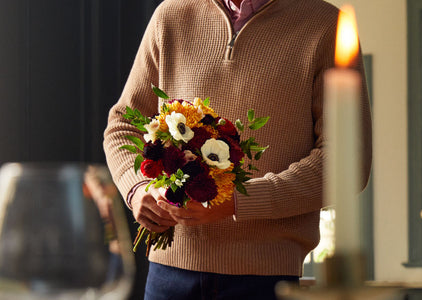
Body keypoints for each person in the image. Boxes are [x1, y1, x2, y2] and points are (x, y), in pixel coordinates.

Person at [103, 0, 372, 298]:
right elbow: (123, 126)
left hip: (266, 280)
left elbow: (349, 162)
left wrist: (238, 202)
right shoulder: (171, 14)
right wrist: (137, 188)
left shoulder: (326, 24)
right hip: (167, 277)